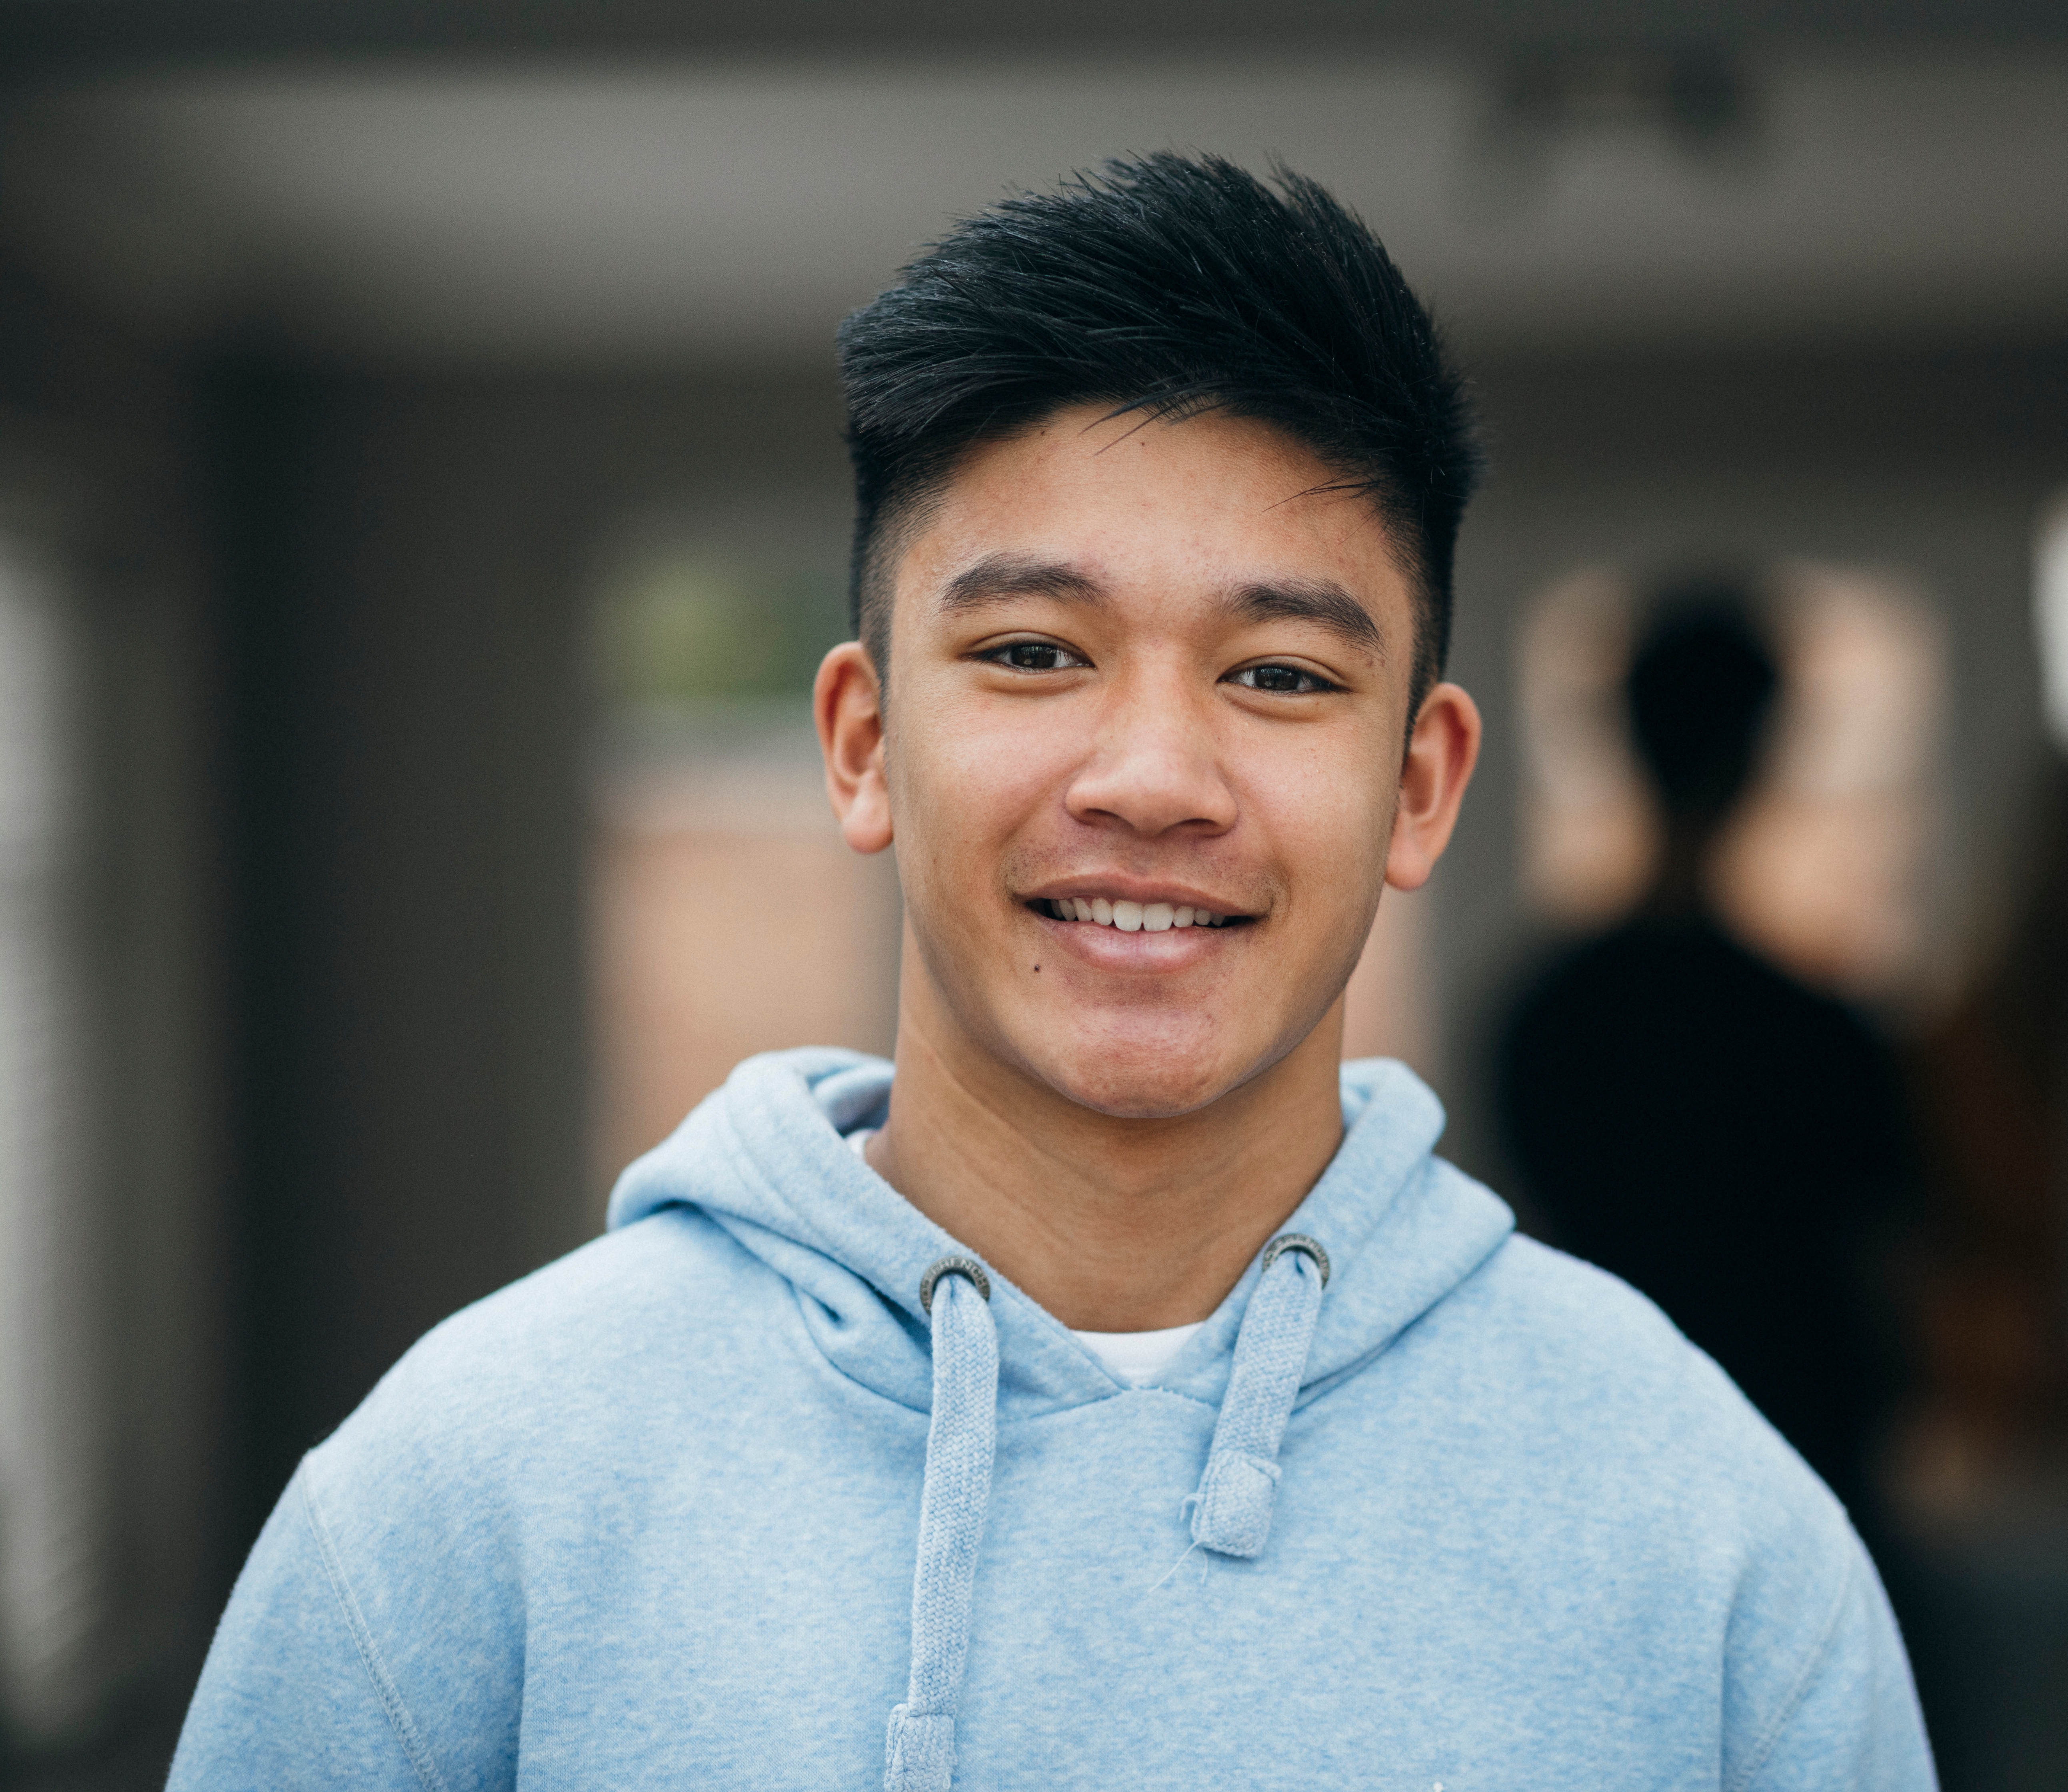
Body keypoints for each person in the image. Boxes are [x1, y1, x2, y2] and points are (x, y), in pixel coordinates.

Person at [168, 156, 1932, 1789]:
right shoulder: (469, 1498)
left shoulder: (1708, 1536)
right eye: (1032, 650)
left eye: (1283, 675)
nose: (1154, 777)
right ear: (862, 743)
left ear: (1421, 786)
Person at [1495, 590, 1919, 1524]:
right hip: (1800, 1463)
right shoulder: (1815, 1027)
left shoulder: (1551, 1015)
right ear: (1758, 756)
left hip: (1611, 1458)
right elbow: (1885, 1274)